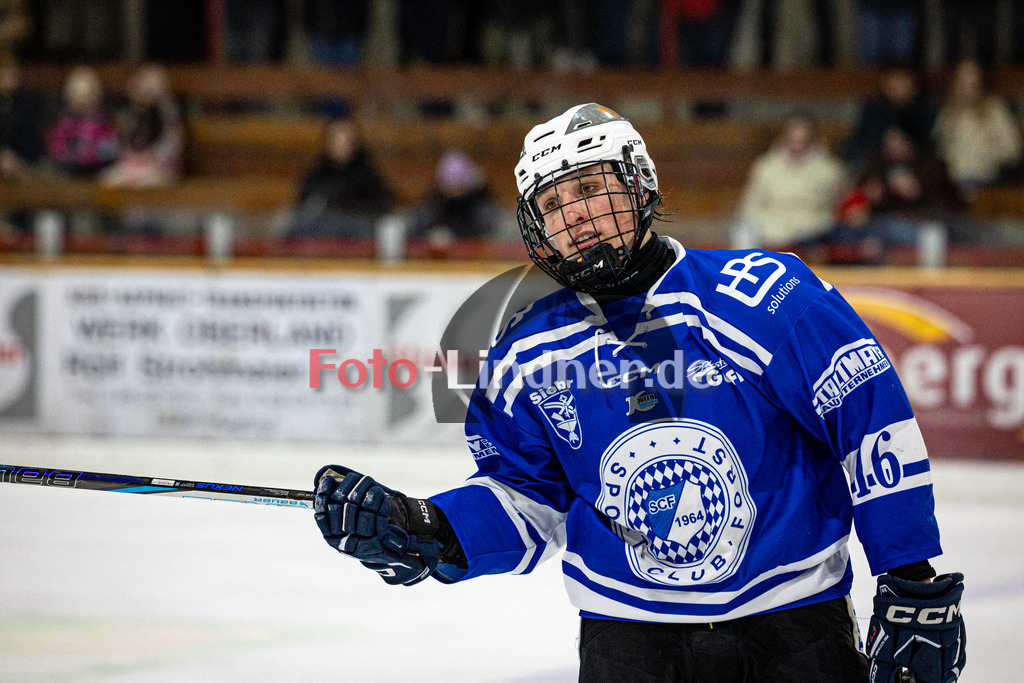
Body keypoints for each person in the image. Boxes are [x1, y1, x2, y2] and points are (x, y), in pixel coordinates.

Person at [313, 104, 966, 682]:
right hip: (629, 645)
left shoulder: (764, 295)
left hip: (791, 630)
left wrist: (909, 571)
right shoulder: (525, 351)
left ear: (641, 185)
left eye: (591, 189)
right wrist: (431, 526)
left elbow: (867, 424)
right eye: (554, 205)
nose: (576, 217)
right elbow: (524, 496)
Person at [736, 111, 845, 249]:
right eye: (793, 133)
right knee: (743, 232)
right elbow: (750, 205)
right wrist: (766, 226)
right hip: (770, 231)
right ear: (785, 135)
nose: (798, 139)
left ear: (811, 136)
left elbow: (837, 208)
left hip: (812, 233)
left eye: (803, 135)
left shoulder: (829, 170)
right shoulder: (765, 167)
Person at [286, 114, 395, 239]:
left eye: (346, 141)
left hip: (357, 240)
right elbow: (304, 208)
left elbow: (382, 208)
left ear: (355, 144)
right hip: (320, 241)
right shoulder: (316, 176)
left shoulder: (368, 177)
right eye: (337, 141)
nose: (341, 147)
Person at [933, 60, 1022, 194]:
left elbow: (1012, 149)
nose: (967, 86)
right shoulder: (948, 112)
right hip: (953, 184)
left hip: (987, 182)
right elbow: (939, 146)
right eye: (963, 81)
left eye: (972, 81)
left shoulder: (994, 110)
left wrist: (987, 156)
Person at [101, 64, 184, 188]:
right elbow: (119, 142)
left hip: (158, 167)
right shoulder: (127, 114)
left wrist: (149, 159)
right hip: (129, 165)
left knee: (148, 183)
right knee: (110, 181)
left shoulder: (168, 116)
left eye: (151, 88)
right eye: (142, 86)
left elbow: (172, 144)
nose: (146, 91)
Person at [409, 149, 501, 251]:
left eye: (460, 183)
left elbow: (494, 240)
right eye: (450, 183)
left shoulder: (482, 210)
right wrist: (430, 237)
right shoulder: (431, 209)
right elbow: (414, 237)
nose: (455, 189)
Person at [44, 65, 118, 178]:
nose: (83, 101)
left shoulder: (104, 122)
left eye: (86, 95)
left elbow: (111, 152)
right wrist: (74, 155)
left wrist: (91, 154)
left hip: (97, 174)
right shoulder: (62, 122)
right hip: (67, 174)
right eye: (78, 95)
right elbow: (55, 150)